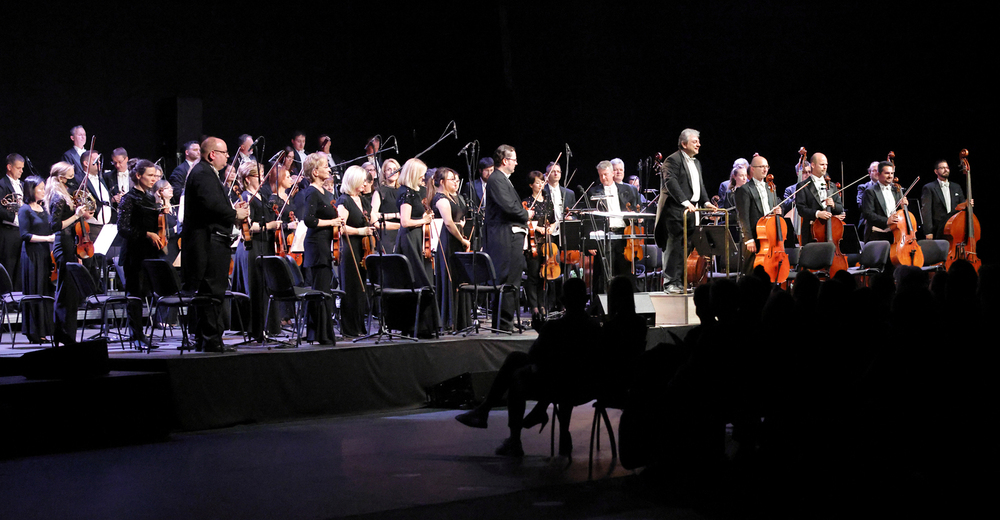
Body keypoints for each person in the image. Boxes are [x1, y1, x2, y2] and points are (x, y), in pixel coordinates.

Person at [454, 277, 599, 457]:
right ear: (584, 299)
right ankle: (488, 411)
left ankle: (511, 436)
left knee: (518, 375)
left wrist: (542, 332)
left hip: (556, 385)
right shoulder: (594, 327)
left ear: (563, 301)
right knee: (516, 359)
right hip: (582, 386)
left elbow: (535, 357)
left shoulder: (554, 327)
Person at [181, 137, 249, 353]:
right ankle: (211, 341)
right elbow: (210, 205)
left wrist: (229, 209)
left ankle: (206, 340)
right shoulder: (203, 173)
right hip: (209, 244)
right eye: (225, 152)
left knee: (210, 293)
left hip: (210, 242)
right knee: (212, 292)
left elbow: (212, 204)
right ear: (212, 154)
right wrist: (234, 213)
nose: (228, 156)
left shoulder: (205, 173)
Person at [654, 128, 717, 294]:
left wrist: (706, 201)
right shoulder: (672, 160)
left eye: (698, 141)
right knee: (673, 246)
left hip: (691, 211)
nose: (699, 144)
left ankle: (680, 282)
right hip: (675, 210)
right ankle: (670, 283)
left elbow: (699, 185)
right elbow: (671, 182)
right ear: (683, 143)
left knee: (686, 247)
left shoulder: (696, 162)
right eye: (695, 142)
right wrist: (685, 202)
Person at [116, 159, 166, 349]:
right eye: (150, 175)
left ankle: (141, 334)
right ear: (138, 176)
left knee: (143, 294)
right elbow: (123, 229)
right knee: (134, 295)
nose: (154, 179)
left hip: (147, 253)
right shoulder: (129, 199)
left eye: (156, 176)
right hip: (134, 254)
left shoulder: (149, 198)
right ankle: (136, 335)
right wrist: (147, 233)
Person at [46, 161, 94, 345]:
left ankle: (66, 335)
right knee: (66, 292)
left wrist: (81, 213)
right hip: (63, 245)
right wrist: (76, 215)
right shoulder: (58, 196)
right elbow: (56, 225)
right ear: (60, 177)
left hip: (69, 244)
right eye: (70, 176)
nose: (73, 180)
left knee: (69, 292)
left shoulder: (64, 193)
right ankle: (64, 335)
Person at [483, 145, 531, 331]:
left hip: (509, 237)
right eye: (514, 159)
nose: (516, 163)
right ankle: (503, 324)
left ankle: (505, 322)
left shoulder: (501, 179)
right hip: (504, 239)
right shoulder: (497, 179)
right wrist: (527, 214)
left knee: (511, 281)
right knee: (507, 280)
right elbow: (509, 207)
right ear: (505, 161)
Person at [232, 161, 280, 342]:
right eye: (258, 174)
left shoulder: (261, 195)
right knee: (255, 287)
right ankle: (256, 329)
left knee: (265, 287)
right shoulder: (244, 197)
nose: (263, 177)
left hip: (264, 245)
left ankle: (266, 328)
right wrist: (271, 226)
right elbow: (248, 226)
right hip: (251, 248)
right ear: (247, 178)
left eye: (263, 173)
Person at [395, 158, 440, 337]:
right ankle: (414, 326)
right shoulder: (406, 192)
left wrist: (426, 214)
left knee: (426, 279)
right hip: (410, 240)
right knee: (416, 281)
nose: (424, 176)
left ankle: (426, 327)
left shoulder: (418, 191)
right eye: (422, 172)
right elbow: (405, 222)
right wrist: (424, 219)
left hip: (419, 238)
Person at [300, 152, 342, 345]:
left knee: (325, 289)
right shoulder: (311, 192)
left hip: (326, 244)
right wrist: (332, 221)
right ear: (315, 172)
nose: (329, 169)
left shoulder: (328, 194)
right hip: (316, 246)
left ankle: (324, 333)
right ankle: (319, 334)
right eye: (325, 166)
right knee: (320, 289)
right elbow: (308, 220)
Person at [336, 165, 375, 338]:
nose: (365, 184)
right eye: (362, 181)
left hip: (364, 248)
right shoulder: (344, 200)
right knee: (351, 287)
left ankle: (360, 326)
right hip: (349, 247)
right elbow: (340, 227)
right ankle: (349, 328)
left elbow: (372, 220)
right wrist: (360, 231)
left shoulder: (364, 200)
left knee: (361, 288)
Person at [431, 167, 471, 331]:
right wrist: (462, 238)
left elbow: (458, 219)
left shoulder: (456, 197)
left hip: (458, 240)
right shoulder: (440, 199)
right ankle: (449, 319)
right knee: (450, 279)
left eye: (456, 179)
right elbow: (448, 223)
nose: (456, 182)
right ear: (441, 182)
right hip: (448, 242)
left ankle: (462, 319)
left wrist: (462, 228)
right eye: (451, 179)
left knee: (461, 278)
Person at [18, 175, 55, 344]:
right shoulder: (25, 209)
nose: (43, 191)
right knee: (35, 290)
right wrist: (48, 239)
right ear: (31, 190)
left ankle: (46, 329)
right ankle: (34, 331)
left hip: (45, 254)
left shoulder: (44, 208)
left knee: (46, 291)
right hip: (32, 255)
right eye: (40, 188)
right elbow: (25, 235)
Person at [735, 155, 783, 277]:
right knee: (751, 272)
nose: (765, 169)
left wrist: (778, 210)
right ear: (752, 169)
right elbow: (743, 217)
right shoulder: (744, 190)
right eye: (761, 166)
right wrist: (748, 239)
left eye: (766, 167)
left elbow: (773, 208)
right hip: (754, 236)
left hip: (768, 235)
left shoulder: (770, 188)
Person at [795, 152, 843, 245]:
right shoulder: (803, 186)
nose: (825, 167)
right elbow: (801, 209)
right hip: (811, 233)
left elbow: (840, 207)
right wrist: (817, 213)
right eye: (822, 164)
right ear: (813, 165)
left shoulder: (832, 186)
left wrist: (833, 205)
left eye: (826, 164)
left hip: (831, 230)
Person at [523, 170, 552, 320]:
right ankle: (534, 306)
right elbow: (525, 223)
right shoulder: (527, 203)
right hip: (533, 244)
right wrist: (537, 228)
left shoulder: (548, 201)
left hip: (547, 243)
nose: (541, 184)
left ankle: (542, 304)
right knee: (533, 276)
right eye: (537, 182)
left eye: (542, 181)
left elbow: (554, 220)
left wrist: (552, 227)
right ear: (531, 185)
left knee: (544, 276)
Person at [920, 160, 967, 240]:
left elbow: (961, 206)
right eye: (942, 168)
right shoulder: (929, 188)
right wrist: (928, 232)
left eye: (947, 168)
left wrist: (967, 204)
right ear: (936, 171)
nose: (946, 170)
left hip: (954, 228)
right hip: (938, 230)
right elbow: (926, 212)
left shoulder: (956, 187)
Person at [861, 160, 905, 243]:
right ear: (878, 174)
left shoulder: (896, 190)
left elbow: (898, 211)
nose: (890, 176)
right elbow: (868, 214)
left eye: (892, 173)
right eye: (887, 173)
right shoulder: (870, 191)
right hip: (877, 235)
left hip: (894, 233)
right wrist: (886, 221)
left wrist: (903, 206)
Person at [0, 154, 26, 290]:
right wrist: (15, 218)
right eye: (18, 168)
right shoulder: (2, 184)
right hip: (8, 231)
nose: (21, 171)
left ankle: (17, 297)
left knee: (20, 265)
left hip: (21, 231)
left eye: (22, 168)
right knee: (9, 265)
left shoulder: (22, 185)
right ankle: (7, 298)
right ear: (9, 167)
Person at [371, 158, 402, 253]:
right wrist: (395, 215)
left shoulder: (403, 191)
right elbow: (373, 215)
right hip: (387, 233)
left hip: (402, 232)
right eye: (389, 169)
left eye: (395, 169)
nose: (393, 172)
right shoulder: (380, 191)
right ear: (384, 173)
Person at [168, 140, 200, 205]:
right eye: (195, 150)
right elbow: (176, 192)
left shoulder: (201, 168)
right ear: (187, 152)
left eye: (199, 150)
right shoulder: (180, 170)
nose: (198, 152)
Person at [856, 161, 880, 238]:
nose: (877, 172)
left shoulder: (887, 188)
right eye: (874, 170)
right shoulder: (863, 188)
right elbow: (861, 206)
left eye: (879, 170)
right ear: (869, 173)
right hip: (868, 225)